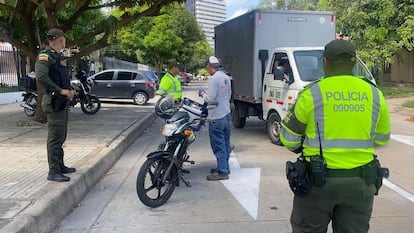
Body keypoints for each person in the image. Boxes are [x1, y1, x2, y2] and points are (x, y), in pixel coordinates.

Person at [280, 39, 390, 233]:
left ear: (325, 63)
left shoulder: (311, 94)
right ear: (355, 63)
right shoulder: (375, 94)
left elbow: (288, 139)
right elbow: (382, 138)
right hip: (360, 184)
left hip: (317, 184)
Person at [35, 28, 76, 182]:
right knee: (54, 138)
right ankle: (53, 172)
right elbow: (41, 76)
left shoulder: (58, 56)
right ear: (60, 39)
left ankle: (60, 166)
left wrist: (69, 92)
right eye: (64, 38)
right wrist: (61, 91)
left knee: (61, 136)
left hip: (60, 102)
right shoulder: (45, 56)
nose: (65, 41)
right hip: (53, 101)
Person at [199, 56, 232, 181]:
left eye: (206, 67)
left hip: (216, 117)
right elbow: (228, 95)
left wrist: (202, 93)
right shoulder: (225, 77)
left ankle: (222, 172)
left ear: (209, 66)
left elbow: (210, 98)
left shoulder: (214, 79)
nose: (206, 69)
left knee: (218, 145)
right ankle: (224, 167)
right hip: (226, 114)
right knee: (225, 143)